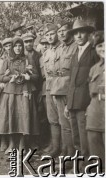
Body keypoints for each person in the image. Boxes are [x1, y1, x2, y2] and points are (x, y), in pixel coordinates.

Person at [64, 19, 99, 171]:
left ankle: (87, 164)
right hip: (72, 101)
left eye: (82, 32)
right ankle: (78, 160)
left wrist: (92, 103)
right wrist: (67, 103)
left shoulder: (93, 53)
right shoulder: (74, 55)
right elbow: (71, 80)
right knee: (75, 133)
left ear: (88, 33)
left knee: (85, 134)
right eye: (76, 33)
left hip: (85, 101)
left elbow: (96, 79)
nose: (78, 36)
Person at [0, 37, 39, 154]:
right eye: (15, 46)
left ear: (22, 46)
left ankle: (22, 144)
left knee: (24, 117)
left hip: (24, 92)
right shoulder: (7, 60)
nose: (18, 48)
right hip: (10, 93)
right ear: (12, 47)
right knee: (11, 117)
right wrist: (10, 78)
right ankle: (12, 144)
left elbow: (37, 76)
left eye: (20, 45)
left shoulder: (28, 59)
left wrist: (29, 77)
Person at [53, 20, 78, 161]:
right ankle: (66, 152)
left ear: (70, 31)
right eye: (59, 31)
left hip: (70, 89)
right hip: (58, 89)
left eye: (64, 30)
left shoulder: (75, 47)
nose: (61, 33)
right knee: (63, 125)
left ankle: (74, 156)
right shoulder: (60, 48)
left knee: (71, 124)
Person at [42, 23, 62, 158]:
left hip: (61, 88)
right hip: (49, 88)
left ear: (57, 33)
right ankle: (55, 147)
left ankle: (66, 149)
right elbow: (46, 73)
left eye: (52, 34)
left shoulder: (63, 49)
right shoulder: (46, 52)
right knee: (52, 119)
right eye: (47, 35)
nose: (49, 37)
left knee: (64, 120)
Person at [86, 31, 105, 172]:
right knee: (95, 150)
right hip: (94, 115)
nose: (103, 48)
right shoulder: (94, 68)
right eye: (99, 45)